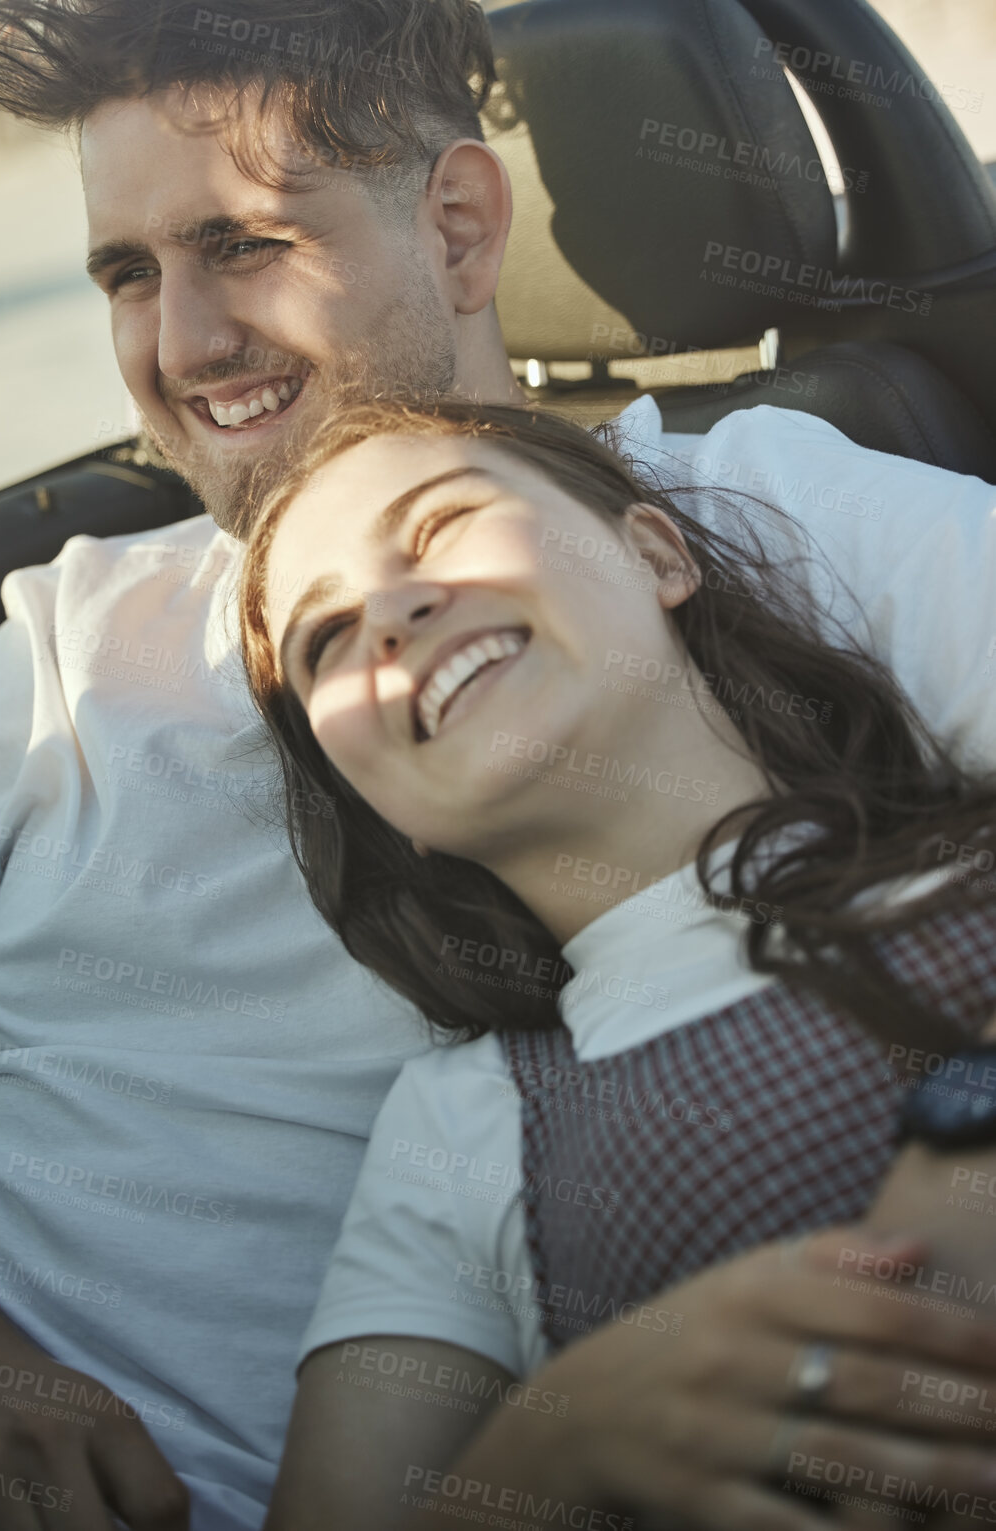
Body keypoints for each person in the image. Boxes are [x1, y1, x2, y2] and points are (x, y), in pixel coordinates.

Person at [0, 0, 996, 1531]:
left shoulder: (769, 510)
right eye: (126, 276)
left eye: (241, 245)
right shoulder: (78, 633)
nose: (180, 343)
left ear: (459, 224)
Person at [238, 394, 996, 1529]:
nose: (388, 613)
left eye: (442, 524)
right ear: (386, 809)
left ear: (655, 555)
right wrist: (557, 1445)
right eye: (328, 638)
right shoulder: (463, 1128)